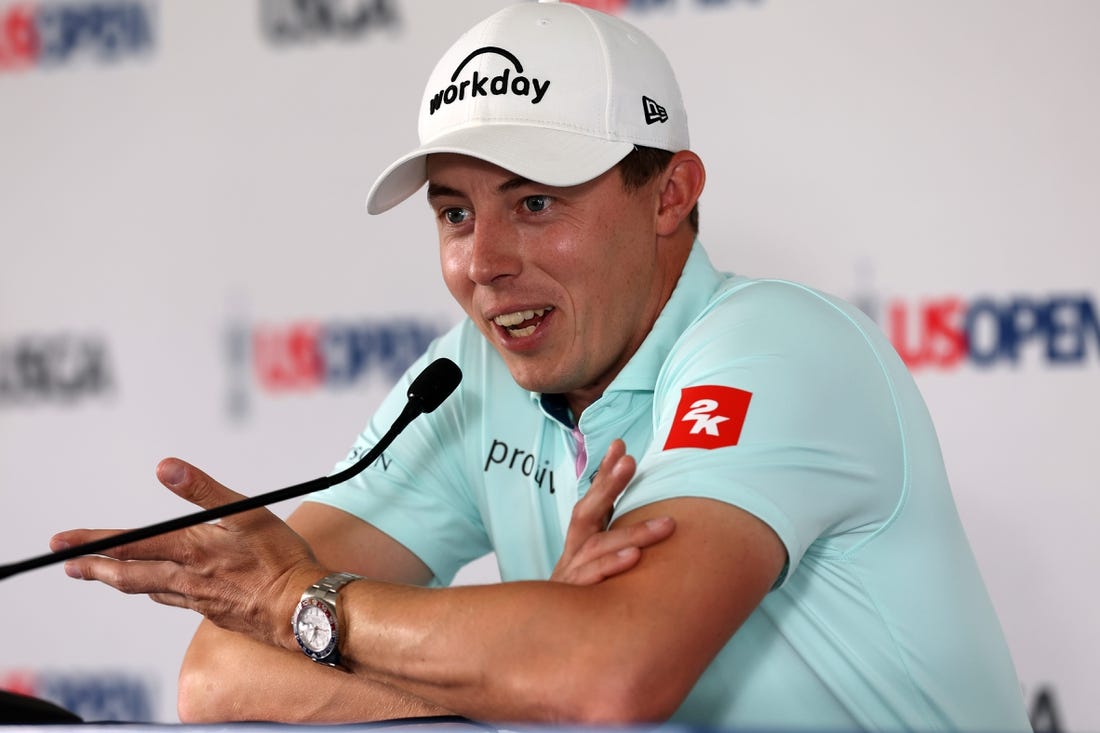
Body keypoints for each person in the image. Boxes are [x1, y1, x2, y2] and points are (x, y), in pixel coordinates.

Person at [52, 1, 1032, 729]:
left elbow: (610, 672)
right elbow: (219, 674)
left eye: (534, 203)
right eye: (453, 213)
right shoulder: (472, 375)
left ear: (670, 194)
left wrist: (299, 605)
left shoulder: (777, 342)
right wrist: (524, 647)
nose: (481, 262)